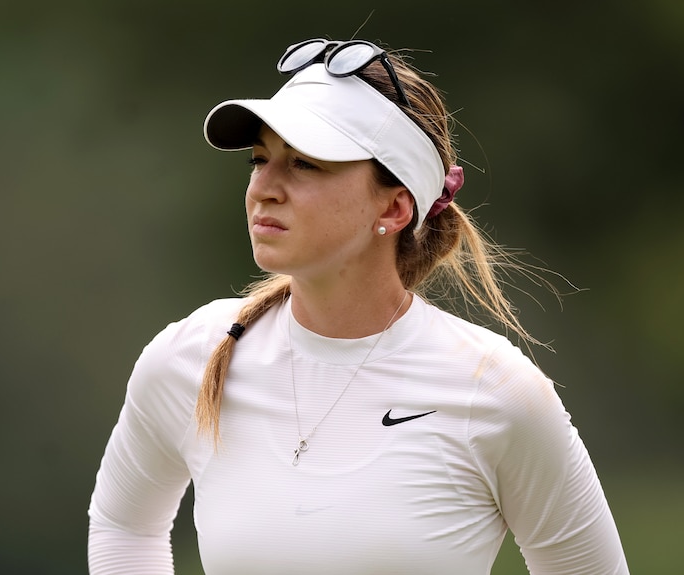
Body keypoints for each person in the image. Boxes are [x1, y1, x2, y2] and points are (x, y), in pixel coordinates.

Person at [87, 37, 629, 574]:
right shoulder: (193, 354)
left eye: (304, 165)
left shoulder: (494, 388)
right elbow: (125, 527)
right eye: (259, 160)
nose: (264, 188)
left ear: (394, 208)